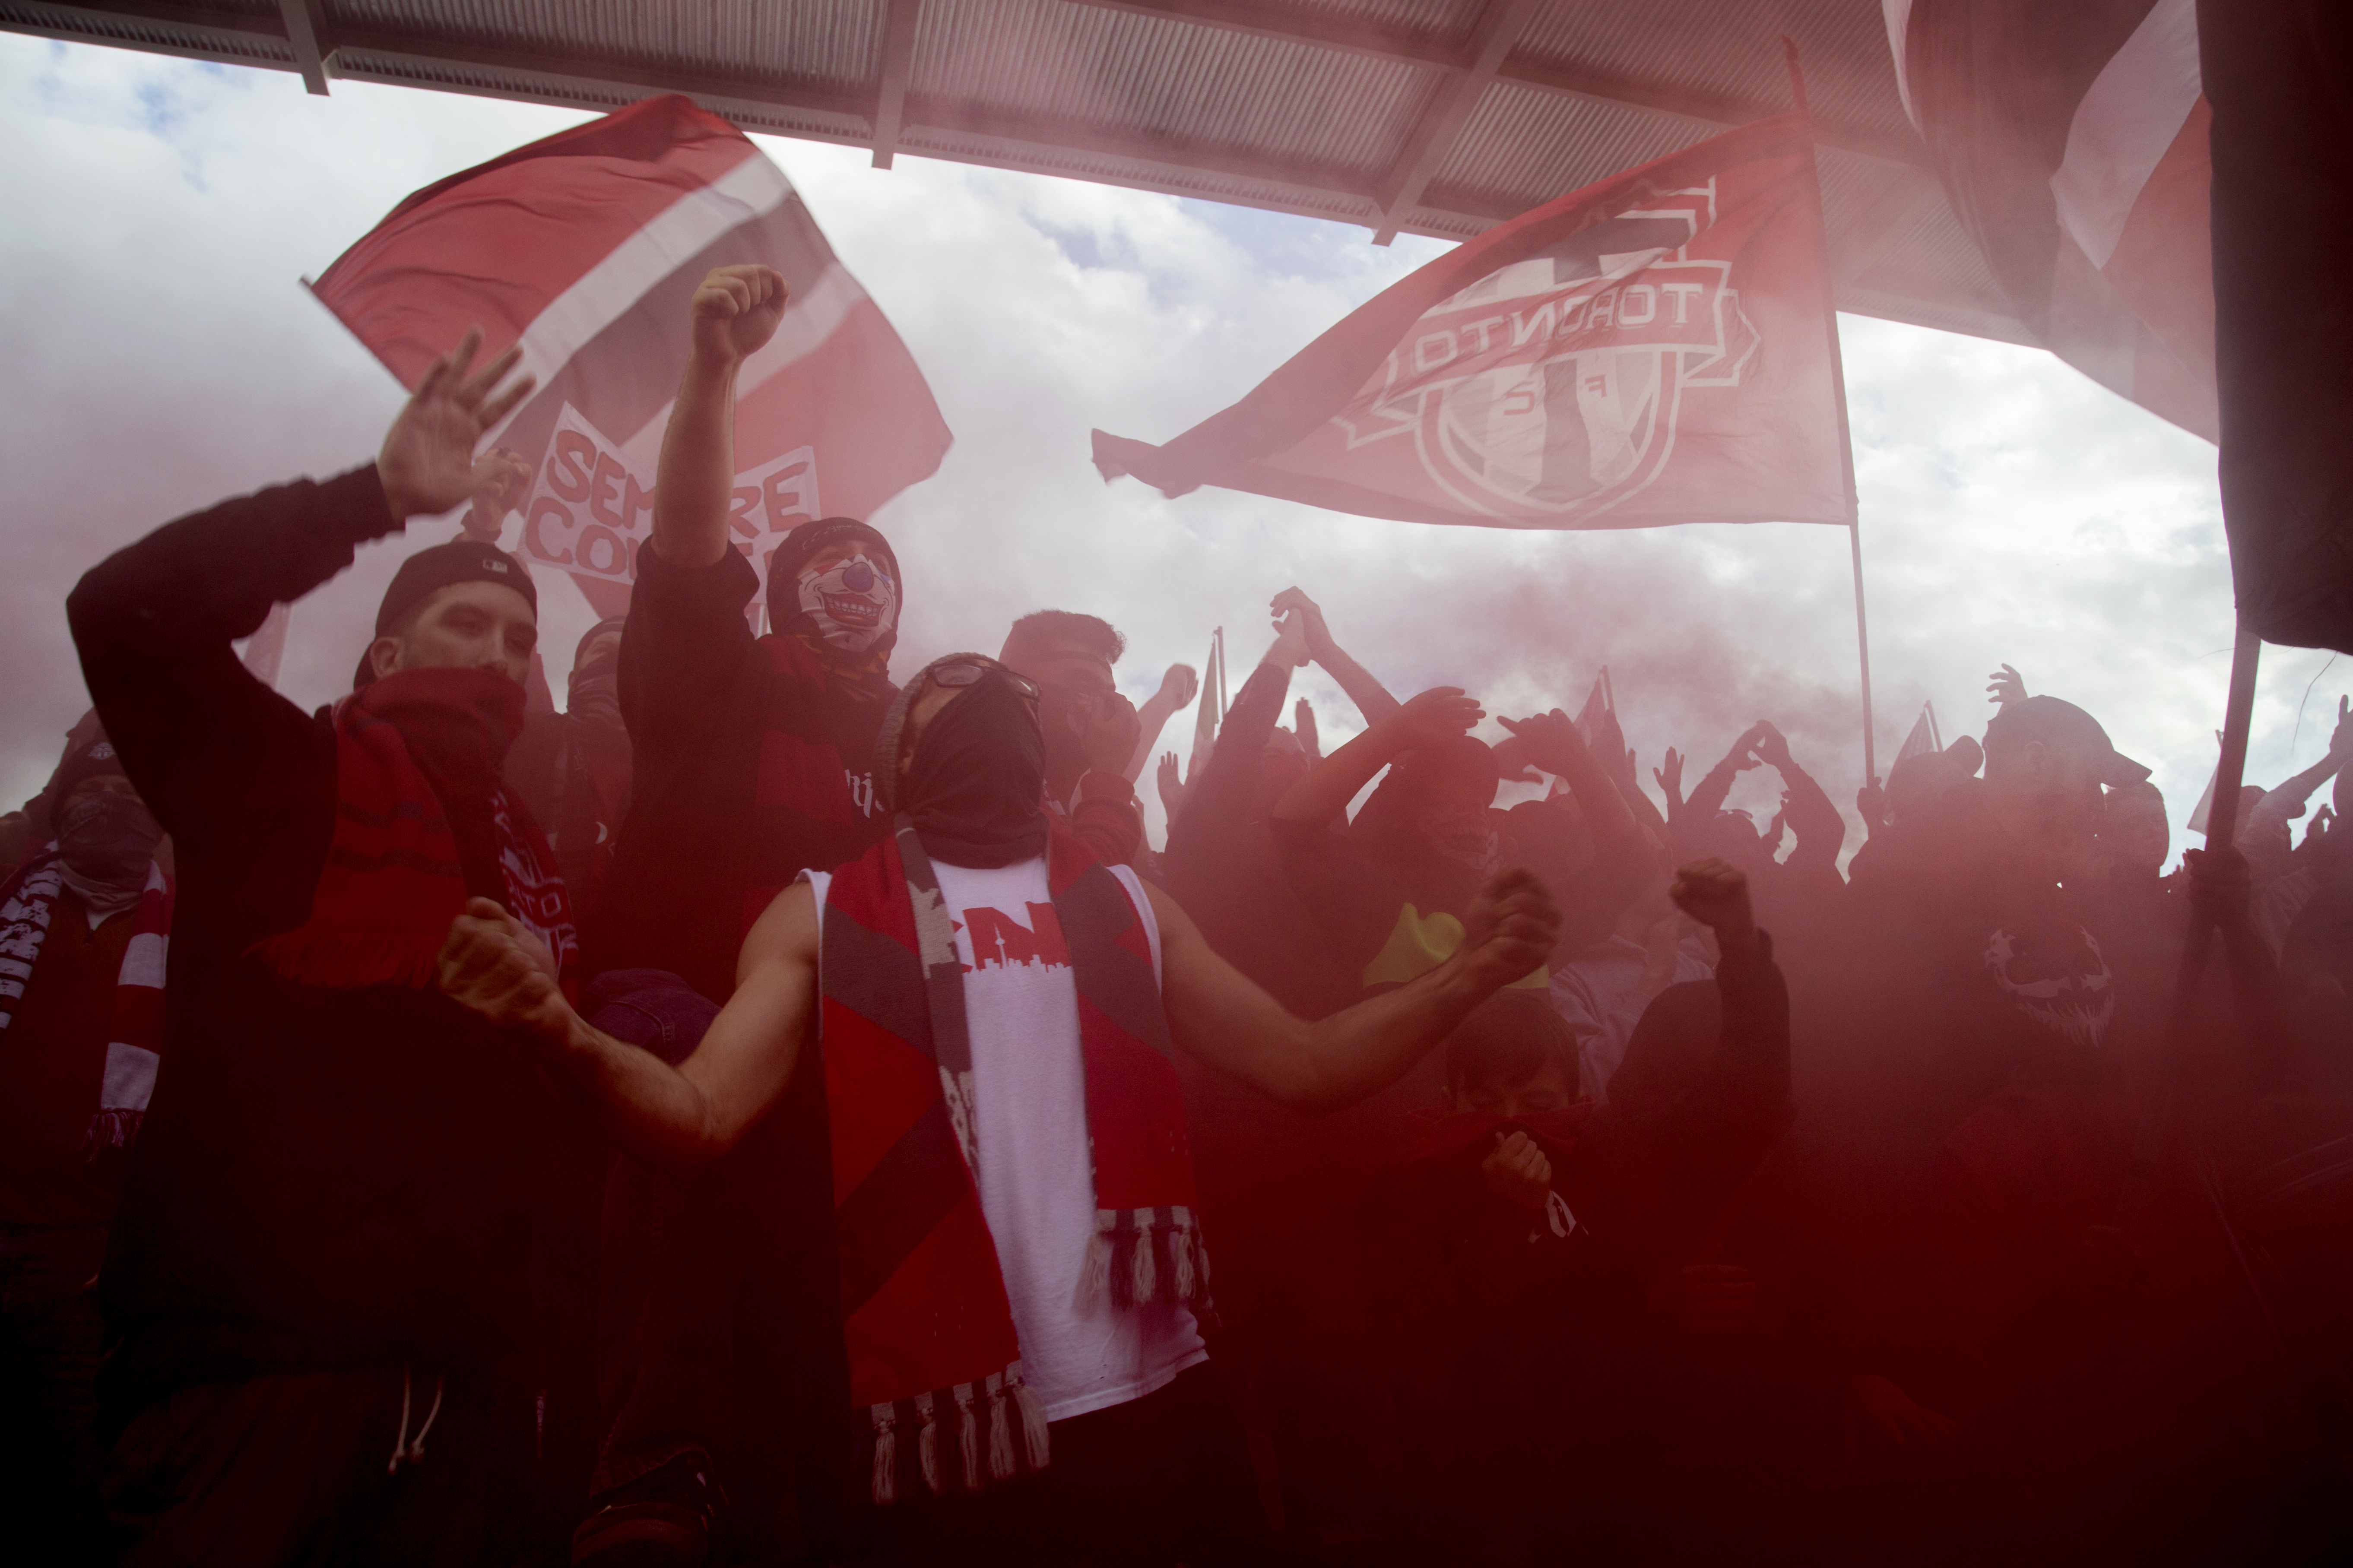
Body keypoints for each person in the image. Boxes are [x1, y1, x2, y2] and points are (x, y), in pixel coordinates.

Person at [436, 651, 1563, 1565]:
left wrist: (1461, 979)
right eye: (944, 693)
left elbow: (1307, 1061)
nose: (979, 696)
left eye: (1004, 695)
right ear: (905, 756)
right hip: (931, 1434)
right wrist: (562, 1033)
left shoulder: (1129, 897)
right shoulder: (817, 912)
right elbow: (700, 1113)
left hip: (1156, 1401)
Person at [63, 332, 580, 1565]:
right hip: (251, 1380)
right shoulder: (285, 778)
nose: (502, 656)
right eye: (468, 622)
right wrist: (376, 497)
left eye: (522, 638)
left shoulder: (528, 859)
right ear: (386, 656)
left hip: (457, 1383)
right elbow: (120, 614)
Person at [1360, 858, 1790, 1565]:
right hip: (1474, 1512)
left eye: (1534, 1105)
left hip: (1611, 1494)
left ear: (1570, 1101)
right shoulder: (1405, 1196)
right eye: (1482, 1105)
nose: (1508, 1127)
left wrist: (1742, 950)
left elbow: (1741, 1107)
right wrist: (1502, 1219)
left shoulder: (1603, 1160)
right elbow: (1447, 1367)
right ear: (1447, 1106)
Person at [587, 262, 905, 1001]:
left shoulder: (917, 725)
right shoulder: (728, 676)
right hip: (689, 1016)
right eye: (832, 558)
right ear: (785, 591)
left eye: (876, 564)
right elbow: (689, 548)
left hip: (856, 1036)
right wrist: (714, 369)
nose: (859, 575)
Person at [0, 728, 171, 1557]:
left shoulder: (189, 926)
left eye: (135, 795)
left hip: (86, 1273)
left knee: (74, 1498)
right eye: (91, 793)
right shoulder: (9, 895)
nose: (111, 808)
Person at [505, 617, 634, 922]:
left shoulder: (674, 781)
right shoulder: (524, 744)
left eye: (633, 655)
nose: (617, 662)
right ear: (573, 678)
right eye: (604, 650)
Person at [999, 610, 1148, 866]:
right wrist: (1109, 773)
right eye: (1085, 686)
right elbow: (1087, 886)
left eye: (1108, 692)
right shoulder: (988, 779)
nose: (1107, 705)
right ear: (1017, 686)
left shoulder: (1051, 797)